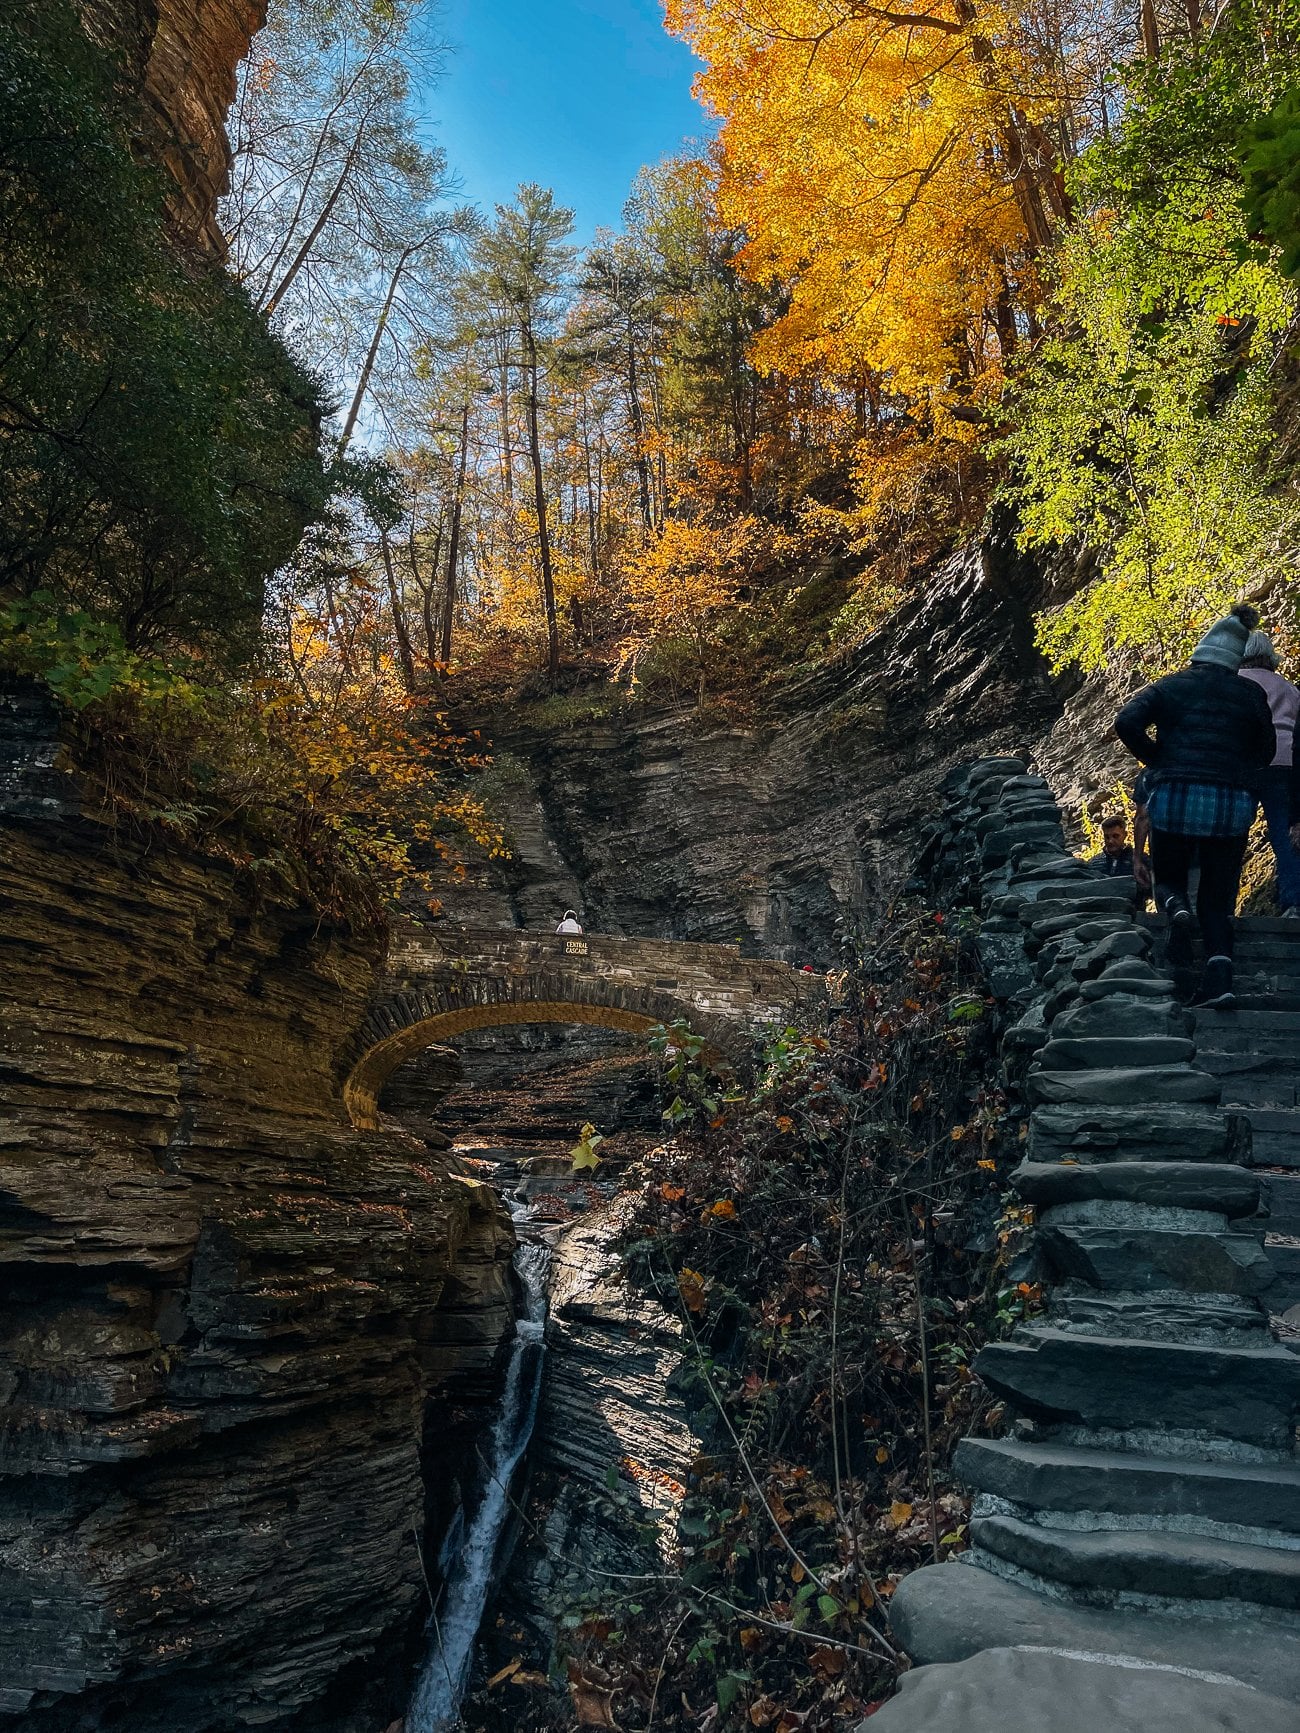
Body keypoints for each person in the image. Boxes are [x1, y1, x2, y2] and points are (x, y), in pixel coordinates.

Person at [1115, 604, 1275, 1008]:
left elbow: (1126, 722)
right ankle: (1220, 978)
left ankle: (1177, 911)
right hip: (1230, 803)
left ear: (1201, 651)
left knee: (1169, 875)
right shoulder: (1251, 693)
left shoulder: (1170, 686)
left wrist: (1158, 760)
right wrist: (1245, 779)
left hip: (1176, 796)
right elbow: (1267, 749)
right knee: (1219, 896)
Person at [1238, 629, 1300, 918]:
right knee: (1281, 835)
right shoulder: (1289, 688)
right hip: (1286, 763)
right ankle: (1293, 902)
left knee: (1234, 832)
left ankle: (1221, 902)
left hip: (1249, 763)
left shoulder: (1237, 682)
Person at [1093, 815, 1135, 880]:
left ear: (1125, 835)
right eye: (1107, 837)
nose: (1110, 841)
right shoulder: (1094, 863)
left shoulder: (1139, 861)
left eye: (1115, 836)